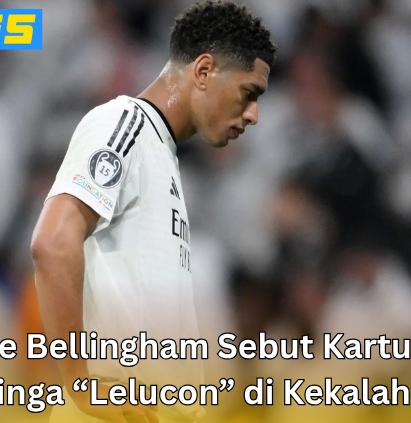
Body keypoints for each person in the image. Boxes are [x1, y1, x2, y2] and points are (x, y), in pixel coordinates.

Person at [30, 2, 276, 422]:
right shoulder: (125, 124)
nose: (253, 115)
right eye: (249, 93)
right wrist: (79, 382)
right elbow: (52, 243)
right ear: (204, 71)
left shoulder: (160, 155)